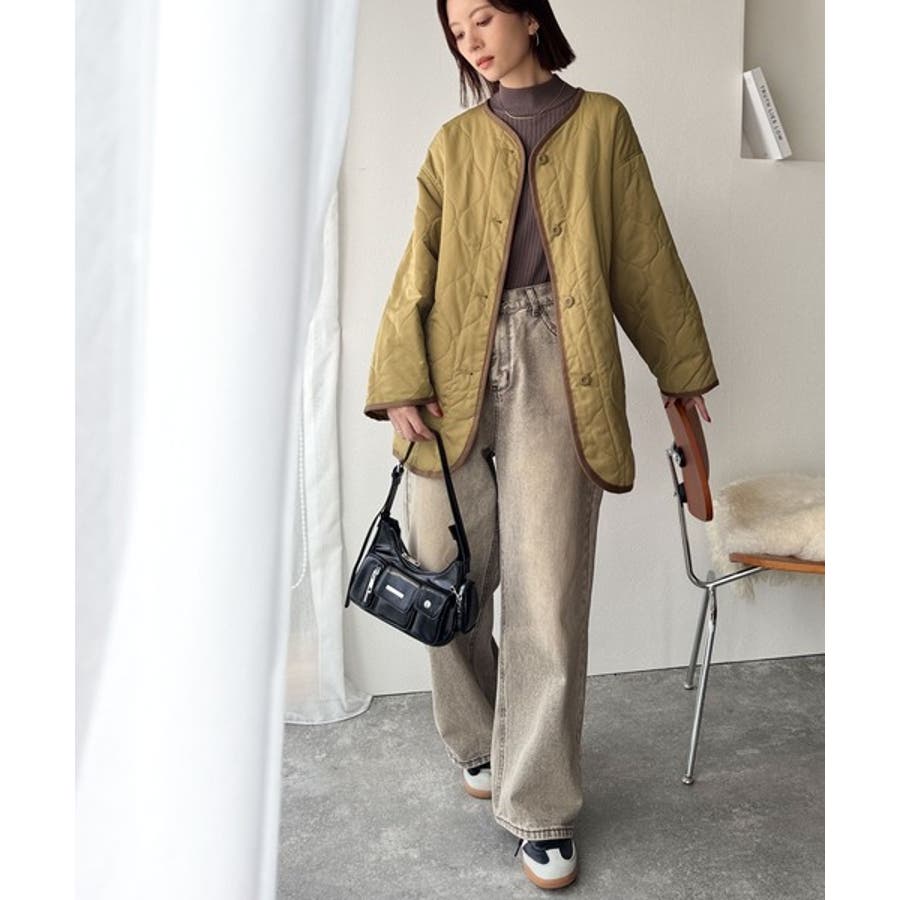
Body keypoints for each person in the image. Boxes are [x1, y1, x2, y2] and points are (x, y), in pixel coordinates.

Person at [361, 0, 719, 890]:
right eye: (457, 33)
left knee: (548, 589)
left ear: (528, 16)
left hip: (563, 364)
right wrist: (400, 378)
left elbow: (642, 255)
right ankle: (479, 737)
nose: (471, 41)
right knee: (441, 567)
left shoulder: (602, 124)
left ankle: (542, 804)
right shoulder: (452, 144)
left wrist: (679, 369)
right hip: (450, 371)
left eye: (483, 18)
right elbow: (418, 268)